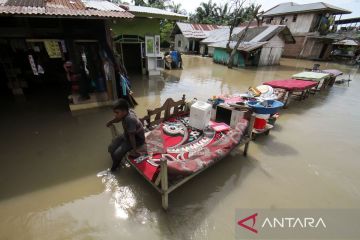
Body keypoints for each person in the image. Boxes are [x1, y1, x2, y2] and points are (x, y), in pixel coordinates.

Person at [106, 99, 145, 171]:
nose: (115, 114)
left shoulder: (130, 119)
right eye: (114, 112)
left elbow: (132, 137)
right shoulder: (126, 112)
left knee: (117, 154)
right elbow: (117, 119)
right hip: (127, 134)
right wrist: (110, 122)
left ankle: (114, 168)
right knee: (111, 148)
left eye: (117, 113)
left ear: (124, 111)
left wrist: (134, 150)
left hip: (137, 139)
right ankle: (117, 161)